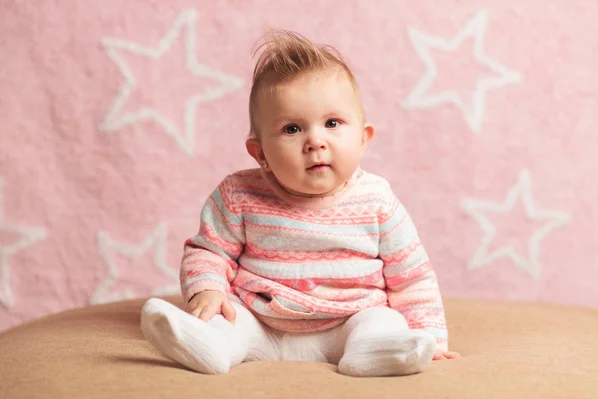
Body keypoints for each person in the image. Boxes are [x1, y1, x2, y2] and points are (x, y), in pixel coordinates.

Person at [140, 30, 460, 377]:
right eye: (292, 129)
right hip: (261, 323)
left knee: (384, 320)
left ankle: (374, 352)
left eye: (333, 123)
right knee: (227, 317)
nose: (315, 142)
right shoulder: (238, 193)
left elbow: (412, 278)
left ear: (363, 138)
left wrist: (430, 337)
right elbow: (208, 252)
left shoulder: (377, 200)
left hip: (346, 324)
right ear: (260, 153)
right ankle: (208, 346)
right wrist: (207, 290)